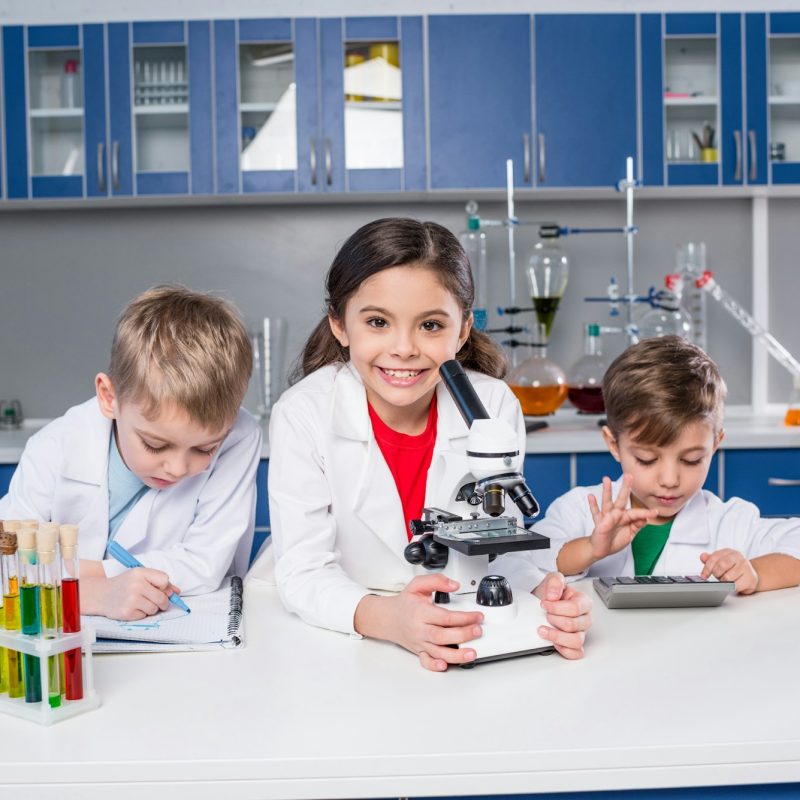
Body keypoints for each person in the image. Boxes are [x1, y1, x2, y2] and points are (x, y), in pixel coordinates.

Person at [251, 217, 592, 672]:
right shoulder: (305, 413)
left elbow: (497, 545)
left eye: (431, 325)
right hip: (336, 634)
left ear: (463, 329)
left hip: (447, 627)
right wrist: (387, 619)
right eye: (377, 322)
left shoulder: (492, 405)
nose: (405, 348)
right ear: (340, 325)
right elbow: (306, 571)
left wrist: (543, 592)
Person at [0, 285, 261, 620]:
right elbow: (6, 562)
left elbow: (204, 564)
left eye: (204, 448)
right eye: (155, 444)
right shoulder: (55, 448)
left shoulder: (238, 437)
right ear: (109, 398)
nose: (177, 467)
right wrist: (91, 594)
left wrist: (78, 573)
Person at [534, 336, 800, 593]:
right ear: (613, 444)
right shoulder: (578, 510)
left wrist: (755, 573)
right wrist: (591, 549)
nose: (670, 480)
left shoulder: (730, 522)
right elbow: (520, 561)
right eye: (646, 460)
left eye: (691, 460)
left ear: (715, 444)